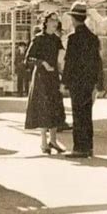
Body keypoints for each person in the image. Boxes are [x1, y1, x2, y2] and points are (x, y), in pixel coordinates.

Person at [62, 2, 103, 159]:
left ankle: (79, 148)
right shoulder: (93, 38)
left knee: (78, 115)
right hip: (89, 82)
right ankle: (89, 147)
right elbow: (97, 62)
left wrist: (64, 82)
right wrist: (98, 83)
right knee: (87, 114)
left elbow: (69, 61)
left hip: (76, 83)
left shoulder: (73, 38)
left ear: (73, 19)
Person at [25, 11, 66, 154]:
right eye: (52, 20)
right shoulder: (38, 39)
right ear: (46, 22)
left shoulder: (56, 39)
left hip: (54, 77)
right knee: (44, 108)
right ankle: (43, 143)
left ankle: (53, 141)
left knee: (55, 107)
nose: (55, 23)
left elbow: (61, 58)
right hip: (41, 78)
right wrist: (42, 63)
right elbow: (28, 59)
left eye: (57, 20)